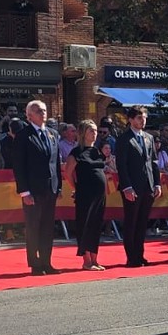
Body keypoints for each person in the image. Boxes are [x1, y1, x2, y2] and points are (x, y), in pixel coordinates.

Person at [12, 99, 62, 274]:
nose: (43, 114)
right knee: (33, 227)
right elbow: (19, 166)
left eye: (44, 110)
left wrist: (59, 187)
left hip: (50, 188)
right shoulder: (23, 135)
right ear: (29, 115)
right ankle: (35, 263)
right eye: (39, 111)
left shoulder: (52, 134)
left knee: (48, 227)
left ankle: (47, 262)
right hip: (33, 190)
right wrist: (24, 191)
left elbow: (56, 162)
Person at [116, 105, 161, 267]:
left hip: (147, 185)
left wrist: (157, 183)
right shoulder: (124, 139)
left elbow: (154, 162)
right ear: (130, 120)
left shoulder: (148, 138)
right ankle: (131, 256)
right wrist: (127, 187)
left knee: (142, 222)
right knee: (131, 222)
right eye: (139, 118)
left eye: (144, 118)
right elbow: (121, 165)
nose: (142, 121)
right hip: (132, 187)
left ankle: (140, 255)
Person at [64, 119, 108, 271]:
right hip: (85, 193)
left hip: (99, 195)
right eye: (91, 131)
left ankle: (95, 259)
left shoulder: (97, 151)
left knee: (96, 225)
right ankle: (86, 260)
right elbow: (68, 173)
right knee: (85, 224)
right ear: (83, 133)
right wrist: (76, 187)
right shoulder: (76, 152)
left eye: (95, 131)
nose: (95, 134)